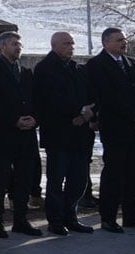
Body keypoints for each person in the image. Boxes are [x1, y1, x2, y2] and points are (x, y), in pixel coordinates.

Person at [86, 28, 135, 233]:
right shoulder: (97, 65)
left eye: (125, 40)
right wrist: (132, 114)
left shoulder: (133, 64)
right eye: (119, 40)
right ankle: (108, 217)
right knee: (114, 173)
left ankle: (131, 215)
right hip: (115, 127)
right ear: (106, 42)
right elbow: (106, 96)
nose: (123, 43)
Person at [0, 31, 43, 238]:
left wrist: (34, 118)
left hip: (26, 134)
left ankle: (20, 220)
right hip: (4, 133)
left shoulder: (25, 72)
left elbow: (35, 99)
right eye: (14, 44)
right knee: (2, 179)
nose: (18, 47)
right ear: (2, 47)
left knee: (24, 179)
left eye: (20, 44)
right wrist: (13, 119)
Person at [32, 32, 96, 235]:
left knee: (78, 180)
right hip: (59, 133)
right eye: (66, 43)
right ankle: (56, 220)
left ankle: (71, 215)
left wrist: (87, 114)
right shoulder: (45, 69)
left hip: (81, 134)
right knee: (56, 180)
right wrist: (77, 111)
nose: (71, 47)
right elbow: (51, 99)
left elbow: (92, 95)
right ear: (54, 45)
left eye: (72, 43)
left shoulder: (78, 69)